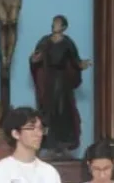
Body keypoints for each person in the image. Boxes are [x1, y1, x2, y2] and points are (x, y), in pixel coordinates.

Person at [29, 15, 92, 155]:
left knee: (63, 112)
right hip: (48, 81)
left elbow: (75, 61)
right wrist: (34, 59)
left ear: (63, 27)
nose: (54, 25)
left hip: (62, 82)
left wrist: (82, 65)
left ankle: (63, 144)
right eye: (53, 23)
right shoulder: (45, 41)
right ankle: (49, 144)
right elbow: (36, 57)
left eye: (57, 23)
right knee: (47, 111)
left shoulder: (68, 43)